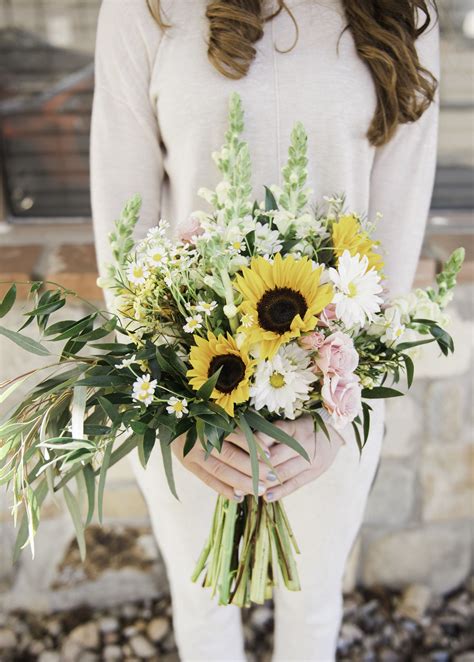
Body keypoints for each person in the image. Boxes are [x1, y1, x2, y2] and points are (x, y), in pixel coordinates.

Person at [90, 1, 440, 659]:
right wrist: (177, 414)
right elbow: (122, 227)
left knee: (313, 610)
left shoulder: (402, 11)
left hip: (333, 395)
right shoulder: (146, 8)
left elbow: (393, 233)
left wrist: (334, 405)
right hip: (184, 389)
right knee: (202, 608)